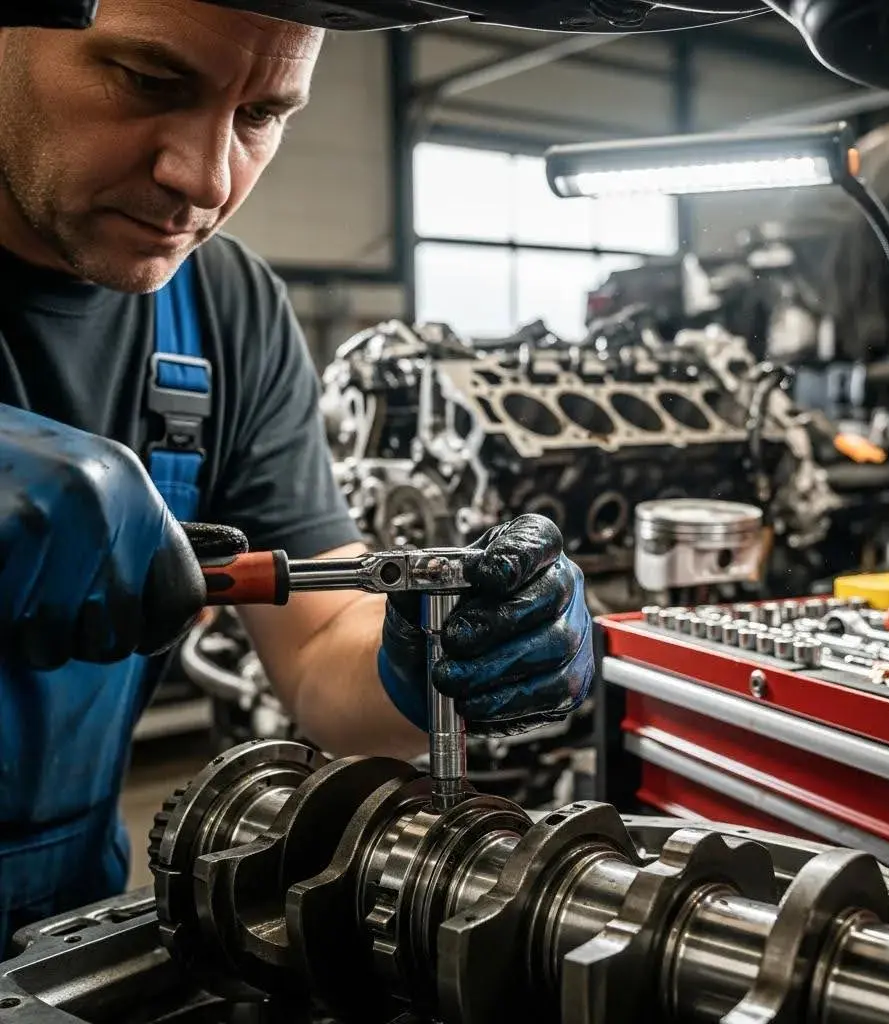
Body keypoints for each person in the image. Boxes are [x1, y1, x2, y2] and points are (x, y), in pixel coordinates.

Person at [0, 0, 593, 952]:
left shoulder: (224, 309)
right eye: (149, 81)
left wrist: (424, 661)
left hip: (66, 923)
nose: (204, 178)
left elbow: (320, 650)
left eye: (261, 114)